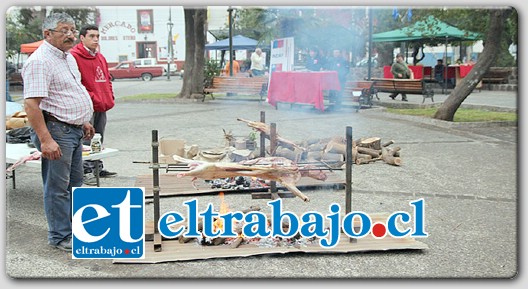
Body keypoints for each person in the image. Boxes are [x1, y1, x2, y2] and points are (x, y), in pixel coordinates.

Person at [22, 12, 95, 252]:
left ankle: (75, 229)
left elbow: (70, 91)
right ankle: (60, 236)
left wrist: (83, 121)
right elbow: (32, 105)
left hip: (72, 129)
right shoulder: (40, 61)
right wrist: (46, 140)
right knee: (57, 187)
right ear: (48, 33)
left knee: (75, 184)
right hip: (55, 131)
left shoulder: (67, 57)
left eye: (73, 30)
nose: (71, 35)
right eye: (64, 30)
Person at [70, 24, 117, 185]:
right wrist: (91, 98)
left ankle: (97, 166)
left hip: (101, 105)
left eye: (97, 36)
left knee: (98, 137)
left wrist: (109, 96)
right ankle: (86, 170)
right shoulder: (74, 56)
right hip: (86, 106)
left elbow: (107, 79)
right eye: (91, 36)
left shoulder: (100, 57)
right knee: (86, 139)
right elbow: (76, 83)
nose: (95, 39)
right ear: (82, 38)